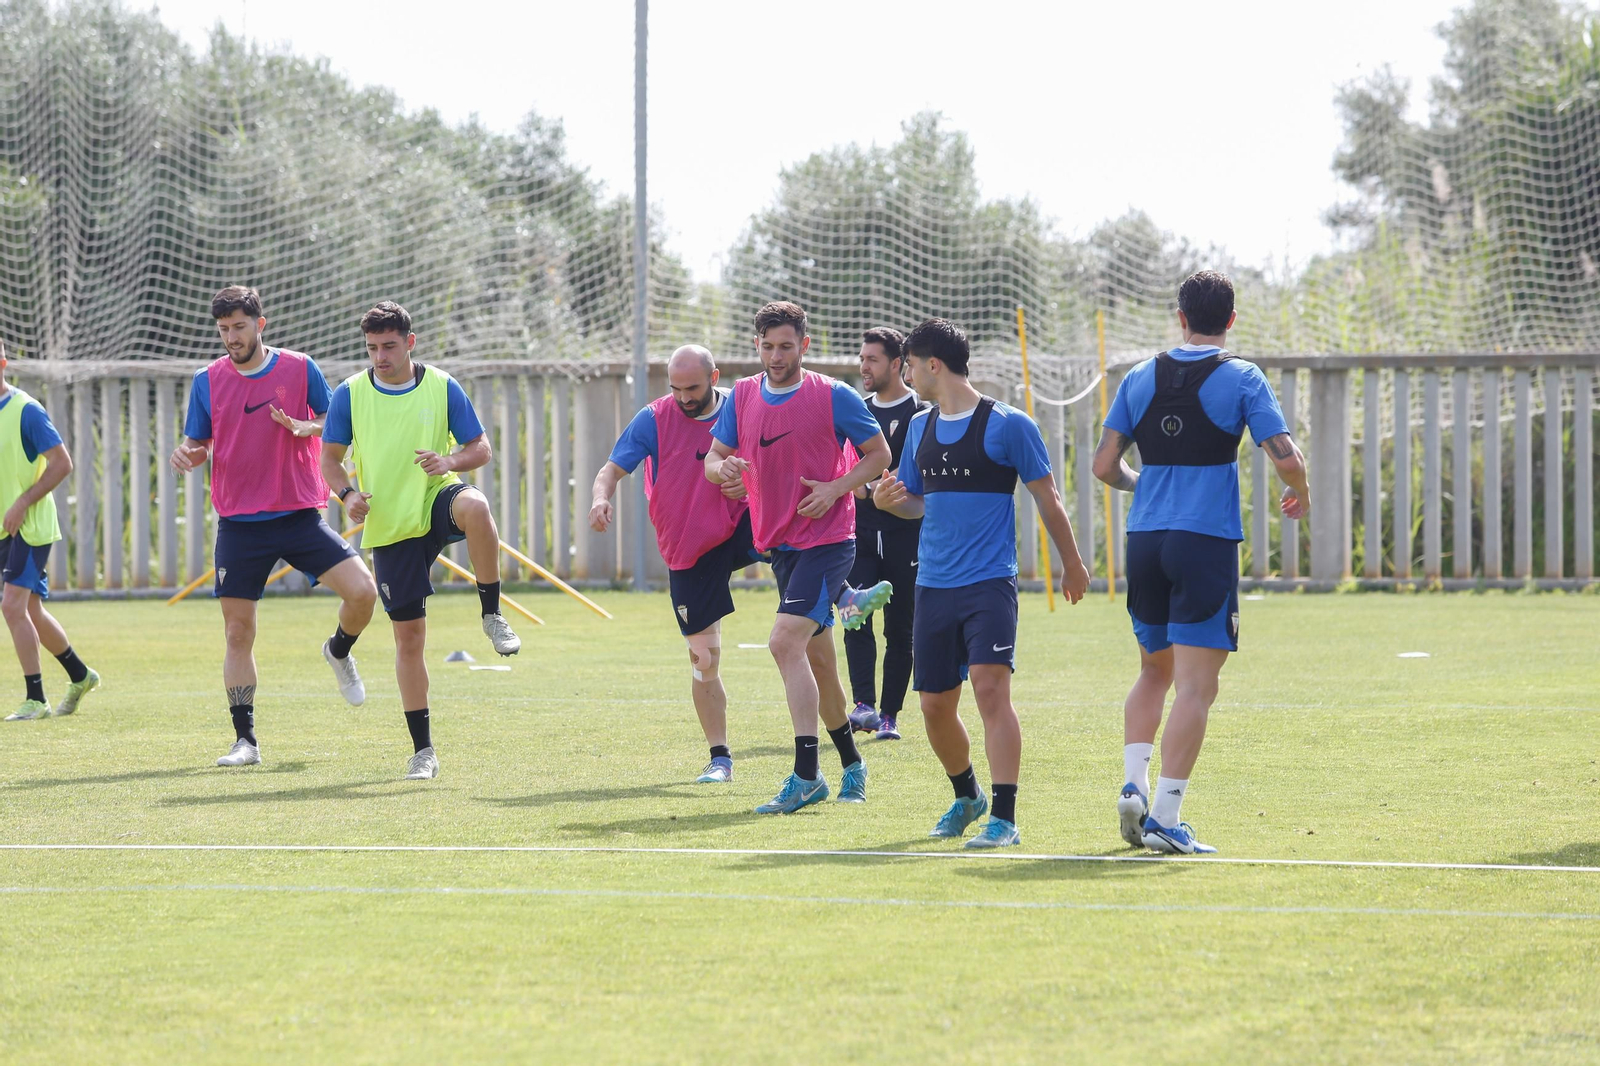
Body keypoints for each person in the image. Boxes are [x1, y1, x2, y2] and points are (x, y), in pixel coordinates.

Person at [1094, 270, 1308, 854]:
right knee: (1196, 686)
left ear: (1180, 317)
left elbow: (1105, 466)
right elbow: (1285, 457)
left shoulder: (1139, 376)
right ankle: (1165, 816)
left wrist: (1146, 485)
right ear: (1231, 320)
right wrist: (1303, 493)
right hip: (1205, 541)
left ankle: (1132, 785)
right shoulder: (1241, 376)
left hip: (1146, 541)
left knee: (1152, 672)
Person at [874, 318, 1091, 848]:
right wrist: (888, 503)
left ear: (931, 365)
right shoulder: (920, 429)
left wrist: (1073, 562)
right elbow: (917, 504)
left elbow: (1048, 497)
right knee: (933, 707)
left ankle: (1005, 817)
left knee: (992, 692)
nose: (906, 378)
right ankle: (967, 796)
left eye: (908, 366)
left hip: (989, 583)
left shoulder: (1009, 424)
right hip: (933, 585)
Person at [170, 286, 379, 768]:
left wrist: (307, 428)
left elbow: (334, 425)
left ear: (260, 324)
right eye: (223, 330)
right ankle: (245, 741)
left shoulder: (300, 368)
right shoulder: (207, 379)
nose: (231, 338)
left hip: (299, 515)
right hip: (239, 525)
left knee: (363, 593)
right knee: (238, 633)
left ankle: (338, 650)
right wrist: (190, 454)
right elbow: (198, 442)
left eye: (239, 327)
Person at [704, 301, 895, 814]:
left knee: (783, 642)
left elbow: (880, 455)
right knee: (820, 662)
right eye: (767, 346)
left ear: (805, 346)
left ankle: (806, 774)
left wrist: (836, 488)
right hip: (780, 545)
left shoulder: (834, 395)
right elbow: (712, 459)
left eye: (786, 346)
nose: (775, 355)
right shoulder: (742, 395)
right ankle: (852, 764)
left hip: (830, 540)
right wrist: (723, 470)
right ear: (756, 345)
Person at [321, 300, 520, 781]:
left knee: (476, 506)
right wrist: (347, 495)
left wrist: (449, 463)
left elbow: (481, 449)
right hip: (389, 523)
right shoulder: (349, 394)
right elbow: (329, 460)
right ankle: (423, 751)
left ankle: (492, 614)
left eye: (388, 346)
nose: (380, 357)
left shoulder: (442, 385)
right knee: (410, 638)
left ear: (410, 342)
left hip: (435, 496)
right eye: (371, 348)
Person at [589, 344, 764, 784]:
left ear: (715, 377)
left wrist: (750, 483)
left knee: (786, 529)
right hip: (689, 544)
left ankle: (840, 595)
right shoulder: (653, 417)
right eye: (676, 388)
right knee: (703, 658)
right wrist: (599, 500)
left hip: (740, 525)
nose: (685, 397)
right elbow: (610, 471)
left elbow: (778, 459)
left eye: (694, 388)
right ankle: (720, 758)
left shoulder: (745, 408)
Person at [0, 341, 99, 722]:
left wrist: (22, 503)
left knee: (11, 607)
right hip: (3, 528)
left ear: (4, 363)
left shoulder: (27, 410)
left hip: (30, 526)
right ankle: (80, 675)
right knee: (30, 611)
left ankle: (35, 698)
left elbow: (62, 463)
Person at [843, 327, 927, 743]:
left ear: (897, 364)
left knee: (901, 625)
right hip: (858, 531)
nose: (864, 367)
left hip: (906, 532)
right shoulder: (855, 410)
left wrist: (897, 493)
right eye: (862, 359)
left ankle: (890, 714)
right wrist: (859, 485)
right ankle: (863, 705)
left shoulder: (923, 413)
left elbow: (927, 477)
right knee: (854, 612)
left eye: (872, 360)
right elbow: (840, 464)